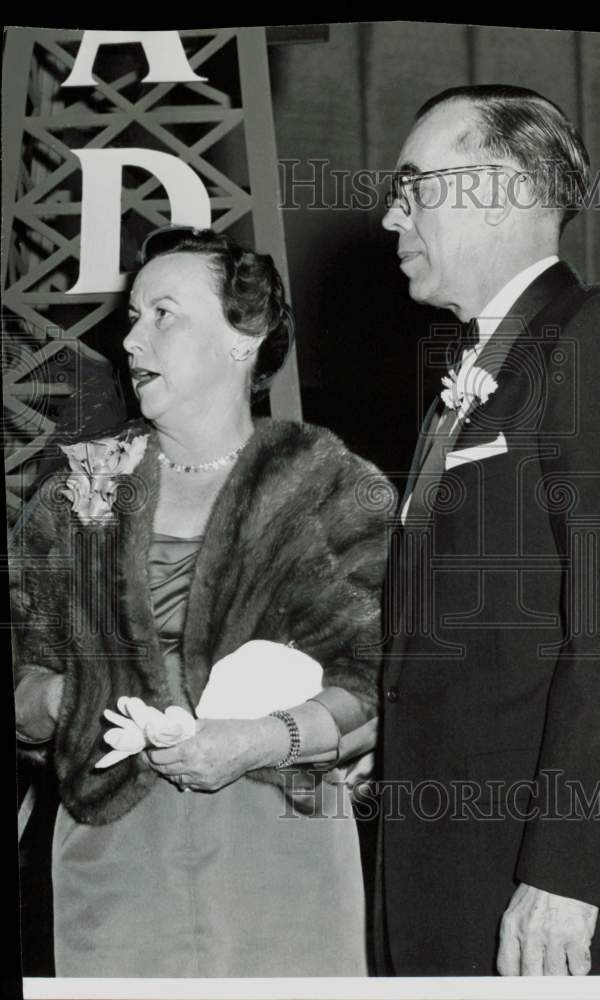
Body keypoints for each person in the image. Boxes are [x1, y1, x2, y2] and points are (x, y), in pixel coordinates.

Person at [377, 85, 600, 976]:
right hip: (454, 879)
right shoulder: (467, 384)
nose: (389, 217)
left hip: (548, 907)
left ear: (498, 188)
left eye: (412, 186)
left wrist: (571, 875)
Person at [10, 227, 395, 977]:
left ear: (242, 338)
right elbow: (23, 678)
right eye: (131, 317)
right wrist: (65, 698)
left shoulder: (329, 484)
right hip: (112, 865)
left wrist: (257, 739)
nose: (132, 339)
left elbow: (374, 681)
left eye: (164, 314)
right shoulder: (77, 490)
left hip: (282, 858)